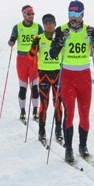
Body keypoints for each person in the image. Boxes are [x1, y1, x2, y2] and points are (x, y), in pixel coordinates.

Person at [49, 0, 94, 165]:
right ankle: (68, 149)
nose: (72, 17)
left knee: (84, 115)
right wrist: (60, 41)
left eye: (76, 14)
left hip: (84, 77)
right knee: (69, 114)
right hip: (67, 77)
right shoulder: (61, 30)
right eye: (70, 13)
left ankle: (83, 146)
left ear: (82, 14)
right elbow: (52, 54)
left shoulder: (89, 30)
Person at [28, 13, 64, 145]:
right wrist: (34, 46)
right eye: (46, 23)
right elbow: (30, 56)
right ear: (43, 25)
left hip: (57, 74)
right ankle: (41, 132)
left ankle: (58, 131)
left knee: (58, 104)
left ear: (55, 24)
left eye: (51, 23)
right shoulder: (39, 38)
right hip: (43, 75)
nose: (49, 26)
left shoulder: (60, 38)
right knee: (44, 104)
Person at [8, 5, 44, 123]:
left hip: (34, 60)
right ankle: (22, 111)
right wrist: (12, 41)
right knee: (23, 88)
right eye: (29, 14)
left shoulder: (38, 27)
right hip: (21, 60)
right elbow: (10, 42)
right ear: (23, 15)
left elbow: (45, 40)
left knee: (35, 87)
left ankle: (35, 111)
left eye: (33, 14)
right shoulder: (17, 27)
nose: (31, 16)